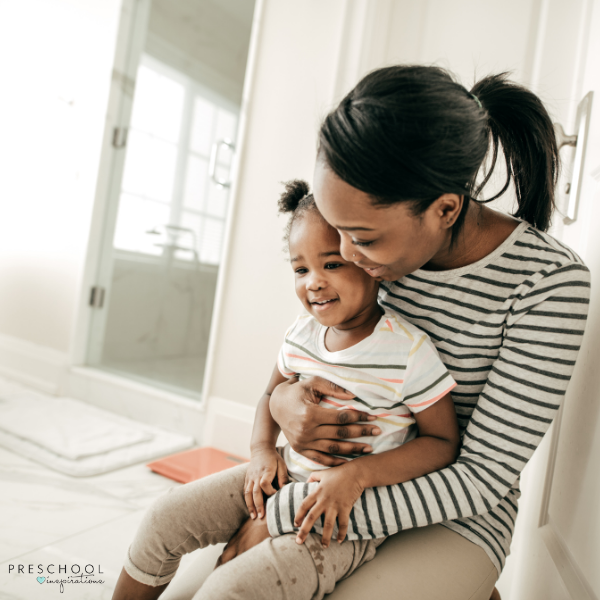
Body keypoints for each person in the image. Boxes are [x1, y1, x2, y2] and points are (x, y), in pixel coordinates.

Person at [217, 66, 591, 599]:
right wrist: (280, 403)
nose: (344, 256)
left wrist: (280, 515)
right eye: (336, 228)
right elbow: (308, 357)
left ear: (444, 209)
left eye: (362, 239)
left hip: (453, 513)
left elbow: (479, 479)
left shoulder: (549, 285)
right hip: (319, 480)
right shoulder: (378, 256)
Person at [111, 178, 462, 600]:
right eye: (301, 269)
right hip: (279, 475)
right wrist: (260, 451)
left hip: (340, 517)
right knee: (162, 517)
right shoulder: (301, 334)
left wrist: (355, 476)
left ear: (368, 262)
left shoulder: (407, 350)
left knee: (230, 588)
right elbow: (268, 397)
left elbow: (443, 442)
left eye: (331, 264)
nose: (313, 282)